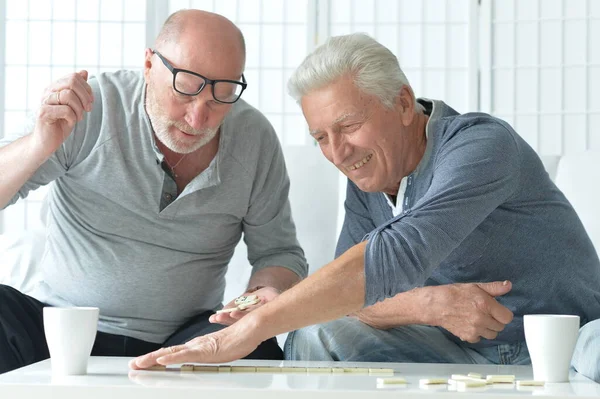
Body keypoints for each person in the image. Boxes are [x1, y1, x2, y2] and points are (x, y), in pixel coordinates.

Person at [129, 33, 600, 369]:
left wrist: (252, 329)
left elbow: (399, 252)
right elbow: (350, 300)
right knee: (316, 333)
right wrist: (426, 306)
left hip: (568, 344)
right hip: (456, 352)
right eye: (322, 138)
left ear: (401, 103)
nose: (339, 153)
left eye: (349, 126)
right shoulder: (369, 178)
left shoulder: (480, 145)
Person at [0, 10, 308, 374]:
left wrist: (260, 299)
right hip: (59, 329)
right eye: (185, 88)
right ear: (148, 65)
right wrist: (39, 142)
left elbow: (279, 253)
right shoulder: (92, 109)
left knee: (256, 345)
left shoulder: (254, 139)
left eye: (221, 96)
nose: (198, 119)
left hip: (186, 338)